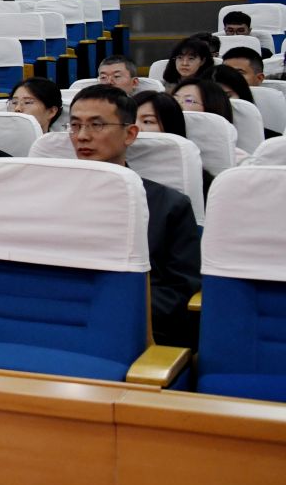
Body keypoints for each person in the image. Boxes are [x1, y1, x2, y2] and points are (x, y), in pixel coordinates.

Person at [67, 84, 203, 345]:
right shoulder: (53, 197)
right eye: (75, 125)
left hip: (130, 328)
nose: (82, 136)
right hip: (55, 320)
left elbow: (180, 290)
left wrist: (106, 308)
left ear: (130, 134)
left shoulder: (168, 205)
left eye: (96, 125)